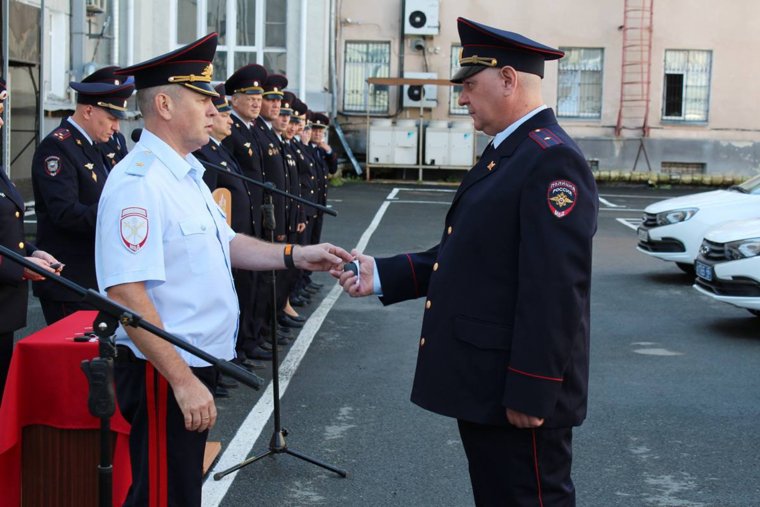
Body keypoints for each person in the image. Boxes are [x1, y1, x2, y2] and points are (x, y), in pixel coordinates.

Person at [334, 17, 598, 506]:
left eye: (469, 86)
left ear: (508, 80)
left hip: (516, 395)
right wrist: (383, 274)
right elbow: (473, 256)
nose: (461, 99)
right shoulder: (508, 153)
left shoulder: (550, 159)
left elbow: (556, 287)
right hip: (488, 386)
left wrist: (532, 389)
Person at [94, 33, 350, 507]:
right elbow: (126, 290)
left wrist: (295, 255)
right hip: (165, 369)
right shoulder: (140, 182)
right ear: (165, 105)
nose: (215, 109)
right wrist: (182, 380)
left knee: (178, 488)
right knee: (162, 494)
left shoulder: (185, 173)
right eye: (203, 98)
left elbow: (227, 244)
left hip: (196, 360)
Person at [31, 68, 134, 324]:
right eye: (111, 117)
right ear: (88, 111)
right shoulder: (57, 147)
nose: (116, 126)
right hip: (72, 281)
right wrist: (120, 214)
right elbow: (65, 213)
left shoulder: (111, 142)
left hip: (103, 277)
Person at [193, 83, 264, 393]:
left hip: (233, 239)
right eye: (217, 111)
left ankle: (226, 360)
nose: (225, 119)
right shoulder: (203, 153)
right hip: (216, 248)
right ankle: (216, 368)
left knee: (238, 297)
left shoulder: (216, 150)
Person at [0, 78, 60, 402]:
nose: (0, 121)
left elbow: (7, 228)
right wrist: (20, 266)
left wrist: (33, 252)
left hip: (5, 308)